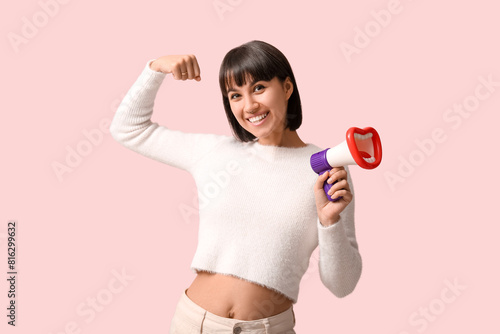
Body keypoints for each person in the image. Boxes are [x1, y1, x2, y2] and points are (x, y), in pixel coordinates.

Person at [110, 40, 362, 334]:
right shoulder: (216, 153)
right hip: (194, 323)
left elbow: (342, 285)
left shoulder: (325, 168)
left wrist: (329, 221)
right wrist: (156, 68)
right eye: (235, 95)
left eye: (259, 88)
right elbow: (127, 128)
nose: (249, 106)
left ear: (287, 88)